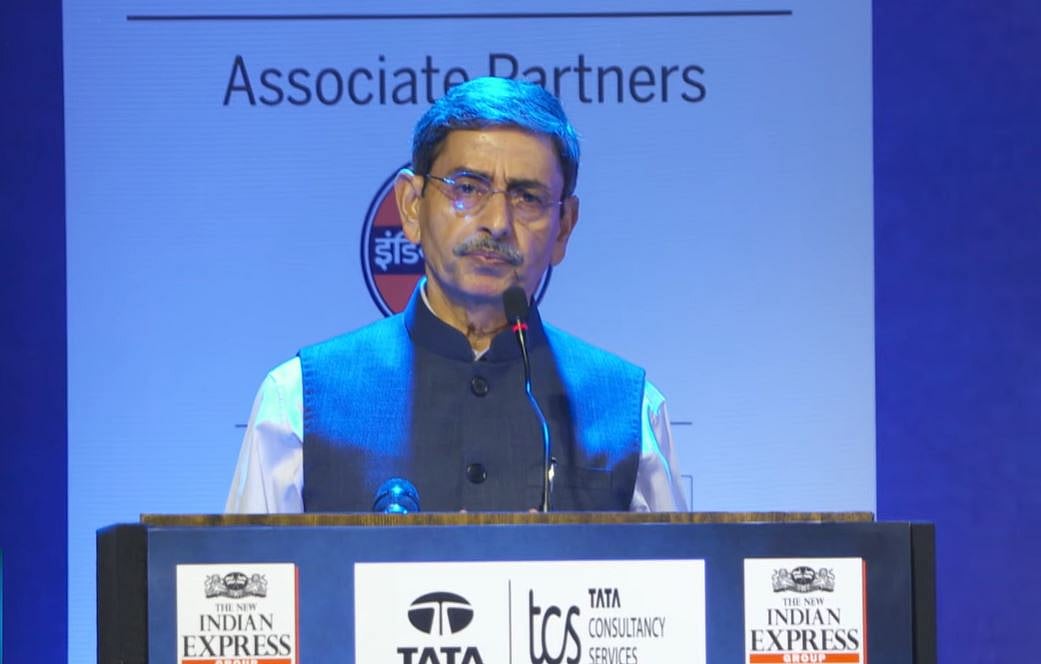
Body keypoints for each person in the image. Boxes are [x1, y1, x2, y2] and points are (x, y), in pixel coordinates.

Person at [226, 77, 686, 513]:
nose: (497, 223)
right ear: (411, 206)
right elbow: (250, 571)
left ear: (563, 228)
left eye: (527, 197)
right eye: (467, 188)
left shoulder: (631, 408)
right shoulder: (297, 402)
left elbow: (680, 569)